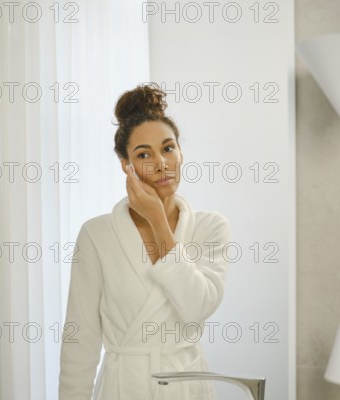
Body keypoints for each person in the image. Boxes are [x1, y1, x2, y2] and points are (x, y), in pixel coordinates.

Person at [59, 83, 231, 399]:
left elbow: (197, 306)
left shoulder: (210, 228)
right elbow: (79, 341)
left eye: (168, 148)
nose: (161, 163)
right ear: (126, 165)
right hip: (124, 386)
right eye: (143, 154)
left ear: (181, 151)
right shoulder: (96, 235)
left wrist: (157, 221)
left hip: (186, 385)